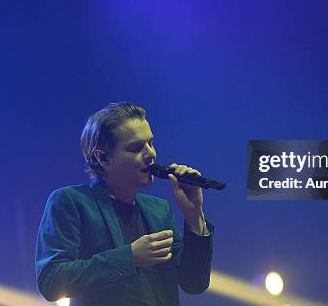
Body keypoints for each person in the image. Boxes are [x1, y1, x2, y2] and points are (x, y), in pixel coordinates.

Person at [35, 102, 214, 306]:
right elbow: (51, 281)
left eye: (151, 143)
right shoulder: (71, 201)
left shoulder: (159, 209)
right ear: (102, 157)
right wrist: (130, 257)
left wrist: (194, 216)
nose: (151, 154)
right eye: (136, 148)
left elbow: (194, 283)